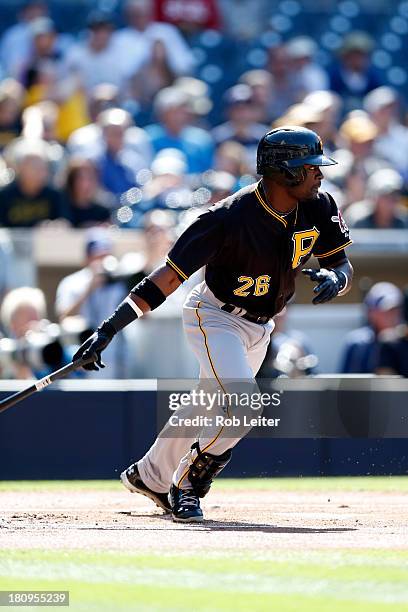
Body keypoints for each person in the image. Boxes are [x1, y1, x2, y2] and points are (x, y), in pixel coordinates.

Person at [73, 126, 353, 523]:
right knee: (243, 405)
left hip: (262, 325)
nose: (319, 174)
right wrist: (107, 329)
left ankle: (150, 475)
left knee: (204, 405)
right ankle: (188, 484)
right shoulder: (226, 217)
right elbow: (166, 279)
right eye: (310, 167)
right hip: (215, 315)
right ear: (285, 172)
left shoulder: (319, 205)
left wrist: (337, 278)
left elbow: (340, 262)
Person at [55, 229, 128, 379]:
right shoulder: (73, 282)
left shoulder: (118, 283)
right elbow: (63, 316)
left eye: (106, 255)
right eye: (98, 256)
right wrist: (89, 289)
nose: (102, 261)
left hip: (115, 357)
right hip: (84, 357)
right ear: (87, 257)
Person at [340, 282, 403, 374]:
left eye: (396, 310)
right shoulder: (356, 344)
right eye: (386, 311)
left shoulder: (404, 343)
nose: (392, 315)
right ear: (371, 312)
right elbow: (347, 382)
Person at [0, 139, 65, 227]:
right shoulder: (4, 195)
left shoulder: (55, 195)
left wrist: (55, 225)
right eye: (34, 167)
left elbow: (64, 222)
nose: (40, 172)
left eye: (43, 167)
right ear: (20, 168)